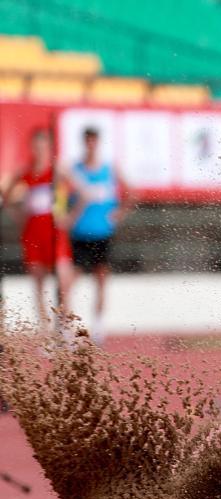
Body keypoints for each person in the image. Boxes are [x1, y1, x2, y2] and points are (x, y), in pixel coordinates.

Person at [66, 126, 134, 345]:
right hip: (79, 233)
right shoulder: (75, 170)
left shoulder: (109, 168)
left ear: (98, 142)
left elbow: (131, 192)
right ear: (83, 142)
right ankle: (67, 329)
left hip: (102, 233)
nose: (90, 145)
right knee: (69, 282)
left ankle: (98, 327)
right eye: (87, 140)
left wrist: (118, 214)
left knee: (101, 280)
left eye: (93, 141)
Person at [0, 128, 73, 331]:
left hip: (55, 233)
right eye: (36, 146)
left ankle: (65, 330)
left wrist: (69, 216)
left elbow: (80, 190)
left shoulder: (56, 171)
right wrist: (17, 216)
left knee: (63, 283)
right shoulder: (26, 172)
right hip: (33, 234)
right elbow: (5, 194)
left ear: (48, 147)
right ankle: (45, 332)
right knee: (39, 286)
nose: (39, 150)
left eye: (43, 146)